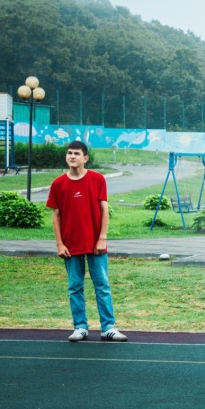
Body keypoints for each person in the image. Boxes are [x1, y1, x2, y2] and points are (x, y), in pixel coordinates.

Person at [47, 141, 126, 342]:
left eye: (76, 153)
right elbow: (56, 216)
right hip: (70, 244)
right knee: (75, 286)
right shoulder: (58, 184)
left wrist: (102, 238)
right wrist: (59, 244)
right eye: (69, 153)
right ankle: (80, 327)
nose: (72, 156)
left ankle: (108, 327)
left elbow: (104, 209)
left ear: (85, 158)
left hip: (95, 243)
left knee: (102, 285)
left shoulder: (97, 179)